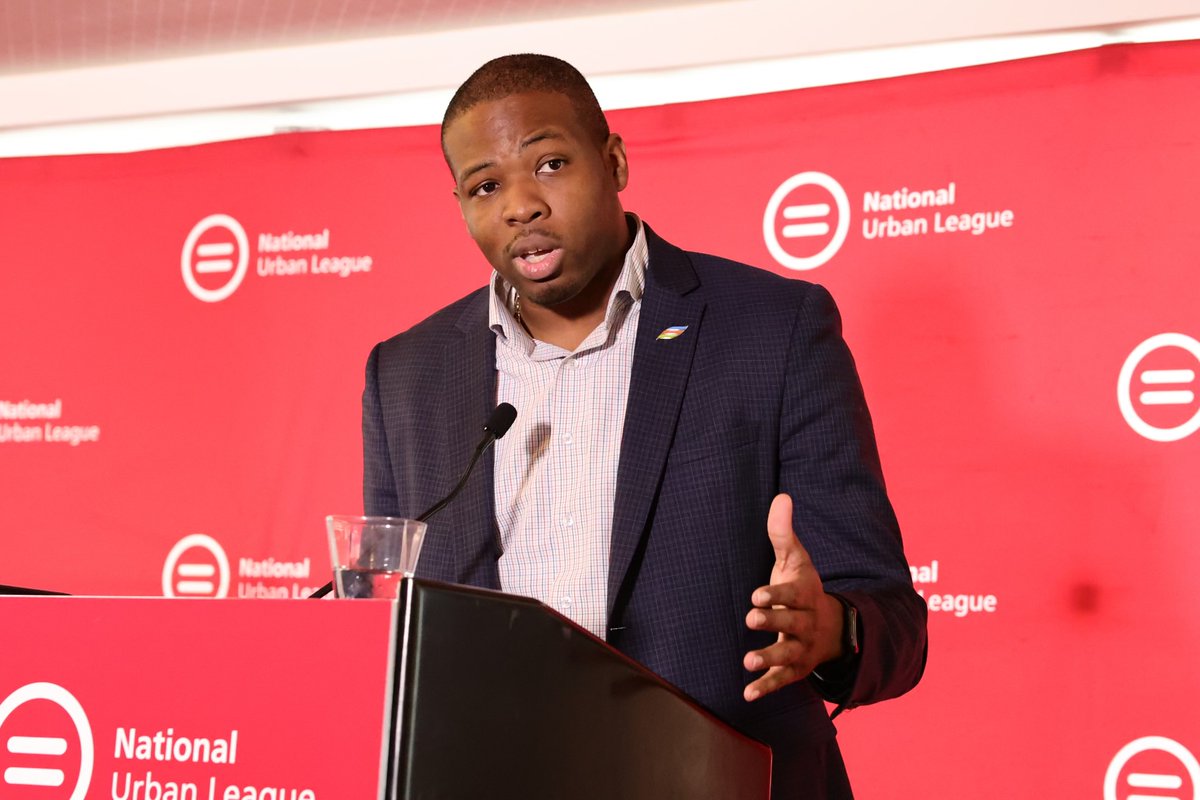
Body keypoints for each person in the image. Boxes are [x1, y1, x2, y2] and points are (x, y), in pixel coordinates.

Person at [363, 53, 927, 799]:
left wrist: (831, 630)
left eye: (552, 163)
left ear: (615, 160)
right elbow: (376, 608)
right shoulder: (406, 373)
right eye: (485, 186)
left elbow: (893, 620)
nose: (520, 205)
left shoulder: (773, 330)